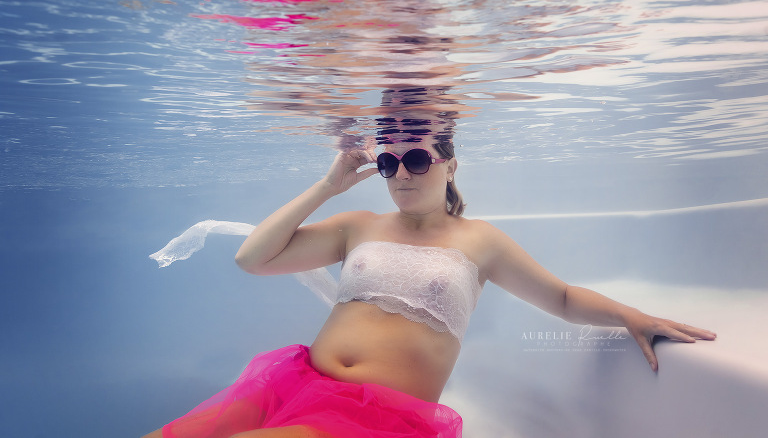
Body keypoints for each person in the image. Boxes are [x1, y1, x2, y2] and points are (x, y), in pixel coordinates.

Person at [143, 140, 716, 438]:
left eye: (417, 158)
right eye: (390, 162)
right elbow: (253, 258)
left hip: (378, 421)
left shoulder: (481, 240)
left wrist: (632, 315)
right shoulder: (359, 223)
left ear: (450, 164)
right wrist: (327, 185)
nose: (402, 173)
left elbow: (562, 298)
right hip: (296, 384)